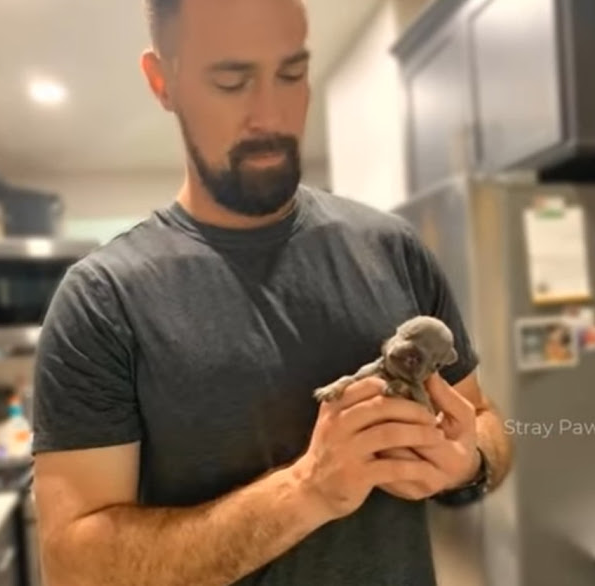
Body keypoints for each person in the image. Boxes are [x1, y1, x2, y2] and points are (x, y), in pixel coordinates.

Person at [32, 0, 513, 585]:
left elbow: (484, 419)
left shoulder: (394, 249)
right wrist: (307, 491)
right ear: (163, 82)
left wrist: (468, 463)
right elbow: (73, 567)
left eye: (291, 73)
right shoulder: (100, 302)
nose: (271, 113)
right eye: (231, 80)